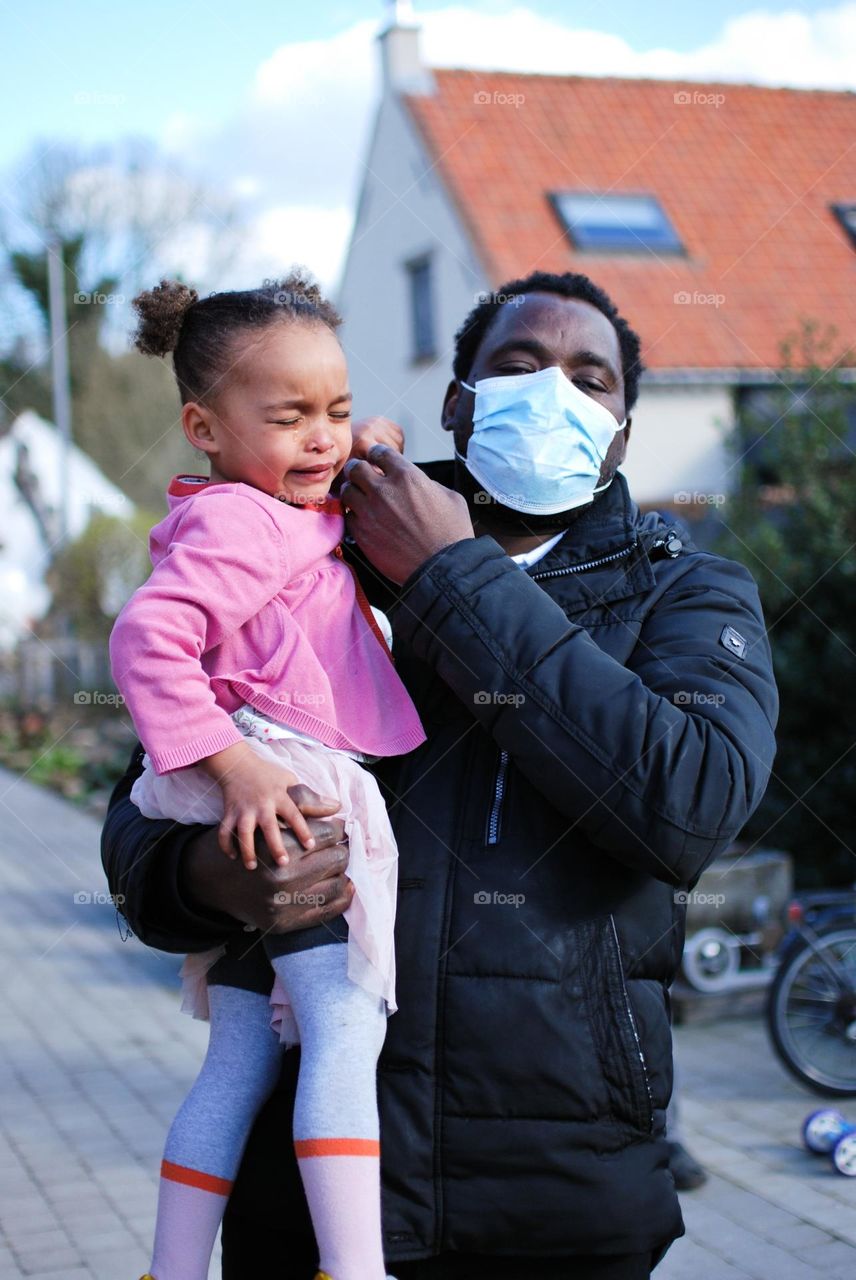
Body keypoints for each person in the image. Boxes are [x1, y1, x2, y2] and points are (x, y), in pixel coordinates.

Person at [103, 269, 779, 1279]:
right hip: (313, 1192)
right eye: (518, 364)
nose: (552, 390)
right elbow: (148, 803)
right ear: (456, 403)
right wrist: (210, 876)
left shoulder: (686, 588)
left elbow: (689, 806)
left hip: (559, 1198)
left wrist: (448, 576)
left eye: (589, 377)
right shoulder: (309, 531)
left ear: (623, 431)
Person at [109, 273, 425, 1280]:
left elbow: (338, 458)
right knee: (340, 1025)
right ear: (203, 425)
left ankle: (173, 1264)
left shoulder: (268, 497)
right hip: (274, 777)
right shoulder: (244, 520)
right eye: (288, 415)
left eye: (331, 408)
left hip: (250, 779)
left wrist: (359, 431)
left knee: (240, 1057)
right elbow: (146, 637)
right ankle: (357, 1267)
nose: (321, 438)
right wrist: (236, 766)